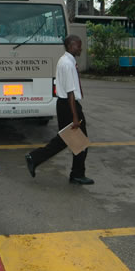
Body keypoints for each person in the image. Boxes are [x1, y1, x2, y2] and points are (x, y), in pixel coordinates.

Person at [25, 35, 94, 185]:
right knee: (78, 141)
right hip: (69, 105)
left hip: (65, 105)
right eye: (78, 46)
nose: (80, 48)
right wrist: (75, 117)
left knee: (66, 140)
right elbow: (70, 92)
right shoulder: (67, 64)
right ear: (70, 46)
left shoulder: (66, 61)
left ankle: (36, 158)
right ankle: (76, 174)